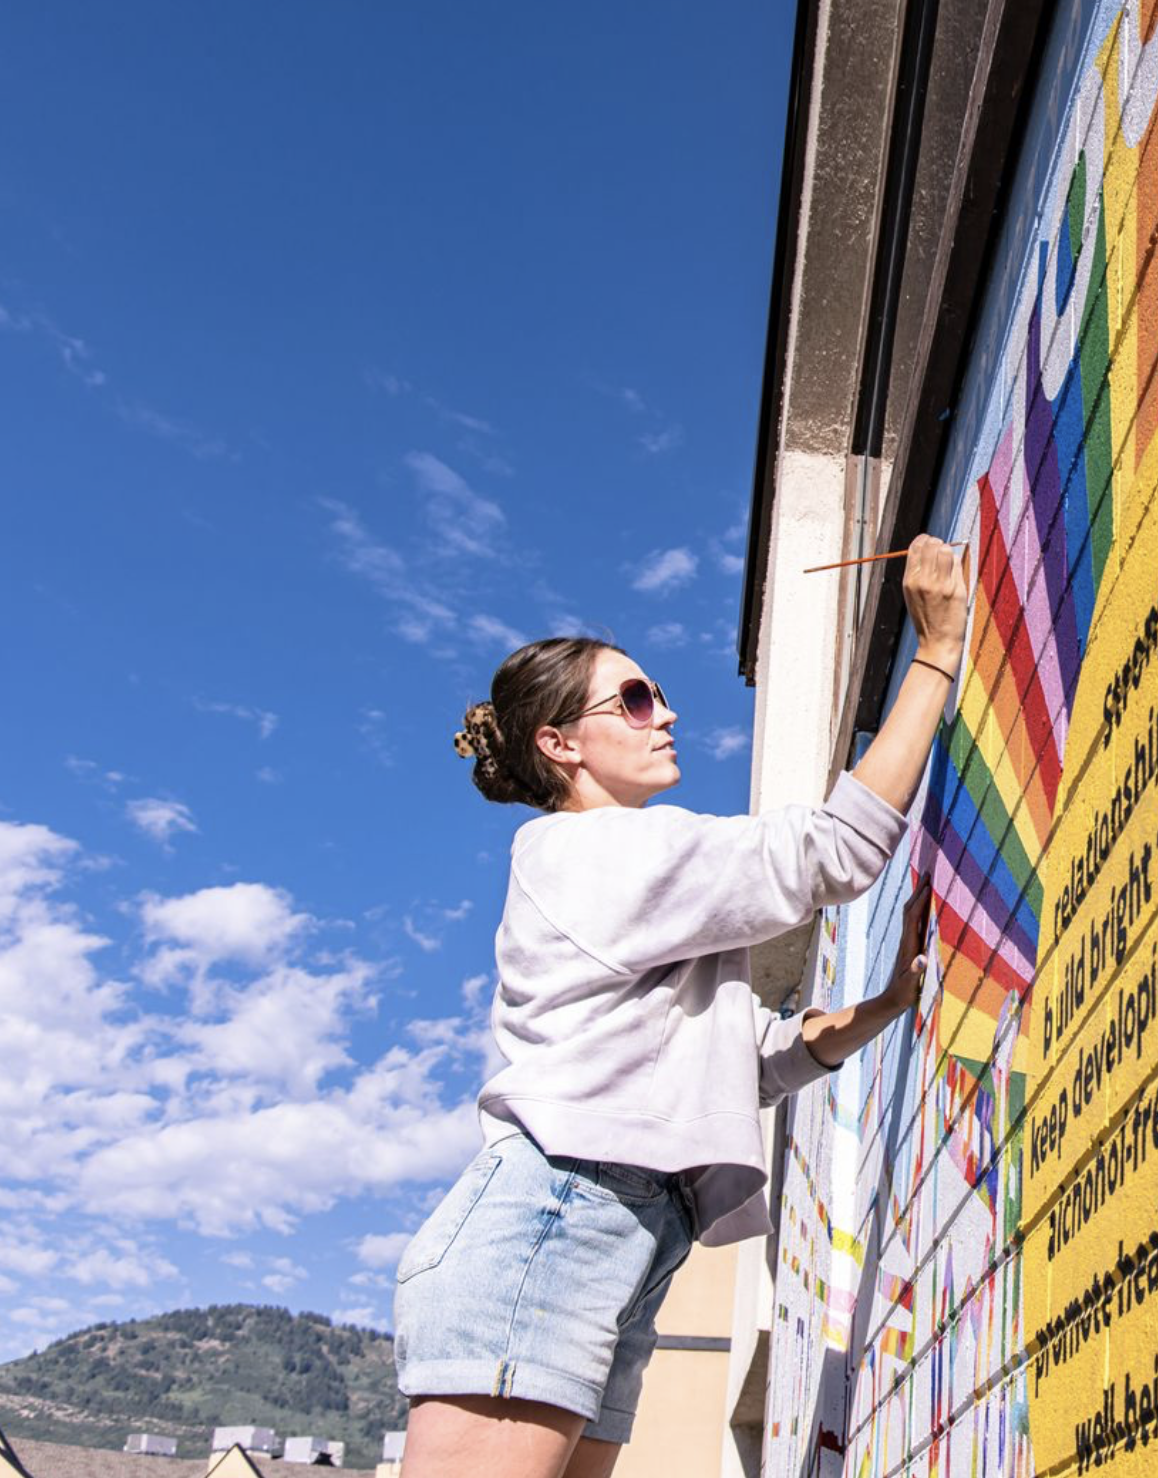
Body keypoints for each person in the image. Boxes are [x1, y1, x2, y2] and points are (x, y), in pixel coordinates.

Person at [393, 536, 968, 1478]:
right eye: (634, 699)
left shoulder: (647, 902)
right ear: (561, 744)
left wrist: (890, 1001)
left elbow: (766, 1060)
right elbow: (833, 852)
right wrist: (937, 653)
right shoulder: (589, 853)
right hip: (557, 1219)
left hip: (621, 1236)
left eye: (658, 695)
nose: (667, 714)